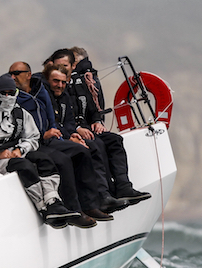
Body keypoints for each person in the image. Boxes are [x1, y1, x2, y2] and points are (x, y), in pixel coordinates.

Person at [0, 74, 82, 228]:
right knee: (23, 165)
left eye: (10, 93)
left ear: (16, 92)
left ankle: (53, 200)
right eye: (3, 93)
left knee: (43, 159)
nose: (6, 97)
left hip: (14, 156)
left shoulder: (20, 114)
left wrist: (20, 149)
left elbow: (33, 137)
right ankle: (42, 206)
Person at [10, 60, 114, 221]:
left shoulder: (40, 90)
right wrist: (44, 134)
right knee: (63, 160)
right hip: (33, 143)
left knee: (82, 151)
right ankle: (74, 210)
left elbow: (52, 118)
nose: (12, 77)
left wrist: (67, 135)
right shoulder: (12, 97)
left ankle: (91, 205)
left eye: (16, 73)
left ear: (28, 75)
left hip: (50, 139)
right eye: (10, 74)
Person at [45, 63, 151, 209]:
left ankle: (122, 187)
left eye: (63, 81)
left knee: (115, 140)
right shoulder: (47, 96)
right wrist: (73, 133)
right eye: (56, 81)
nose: (60, 84)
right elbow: (54, 122)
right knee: (93, 146)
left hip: (77, 131)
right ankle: (100, 197)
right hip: (55, 138)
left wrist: (95, 120)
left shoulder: (76, 87)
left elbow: (88, 108)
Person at [68, 47, 152, 205]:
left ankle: (123, 186)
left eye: (75, 62)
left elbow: (95, 107)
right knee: (96, 145)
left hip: (89, 127)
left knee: (115, 140)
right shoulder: (68, 82)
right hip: (75, 129)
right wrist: (76, 128)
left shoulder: (90, 80)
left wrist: (98, 121)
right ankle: (104, 193)